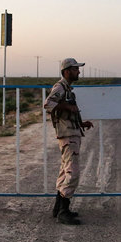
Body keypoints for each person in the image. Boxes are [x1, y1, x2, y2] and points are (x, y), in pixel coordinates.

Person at [44, 58, 94, 225]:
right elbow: (48, 103)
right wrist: (66, 106)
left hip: (71, 133)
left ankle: (58, 208)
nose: (78, 72)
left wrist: (81, 123)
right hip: (67, 136)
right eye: (75, 69)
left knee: (65, 171)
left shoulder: (67, 90)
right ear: (66, 71)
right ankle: (63, 212)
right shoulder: (60, 87)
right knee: (73, 172)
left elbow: (68, 111)